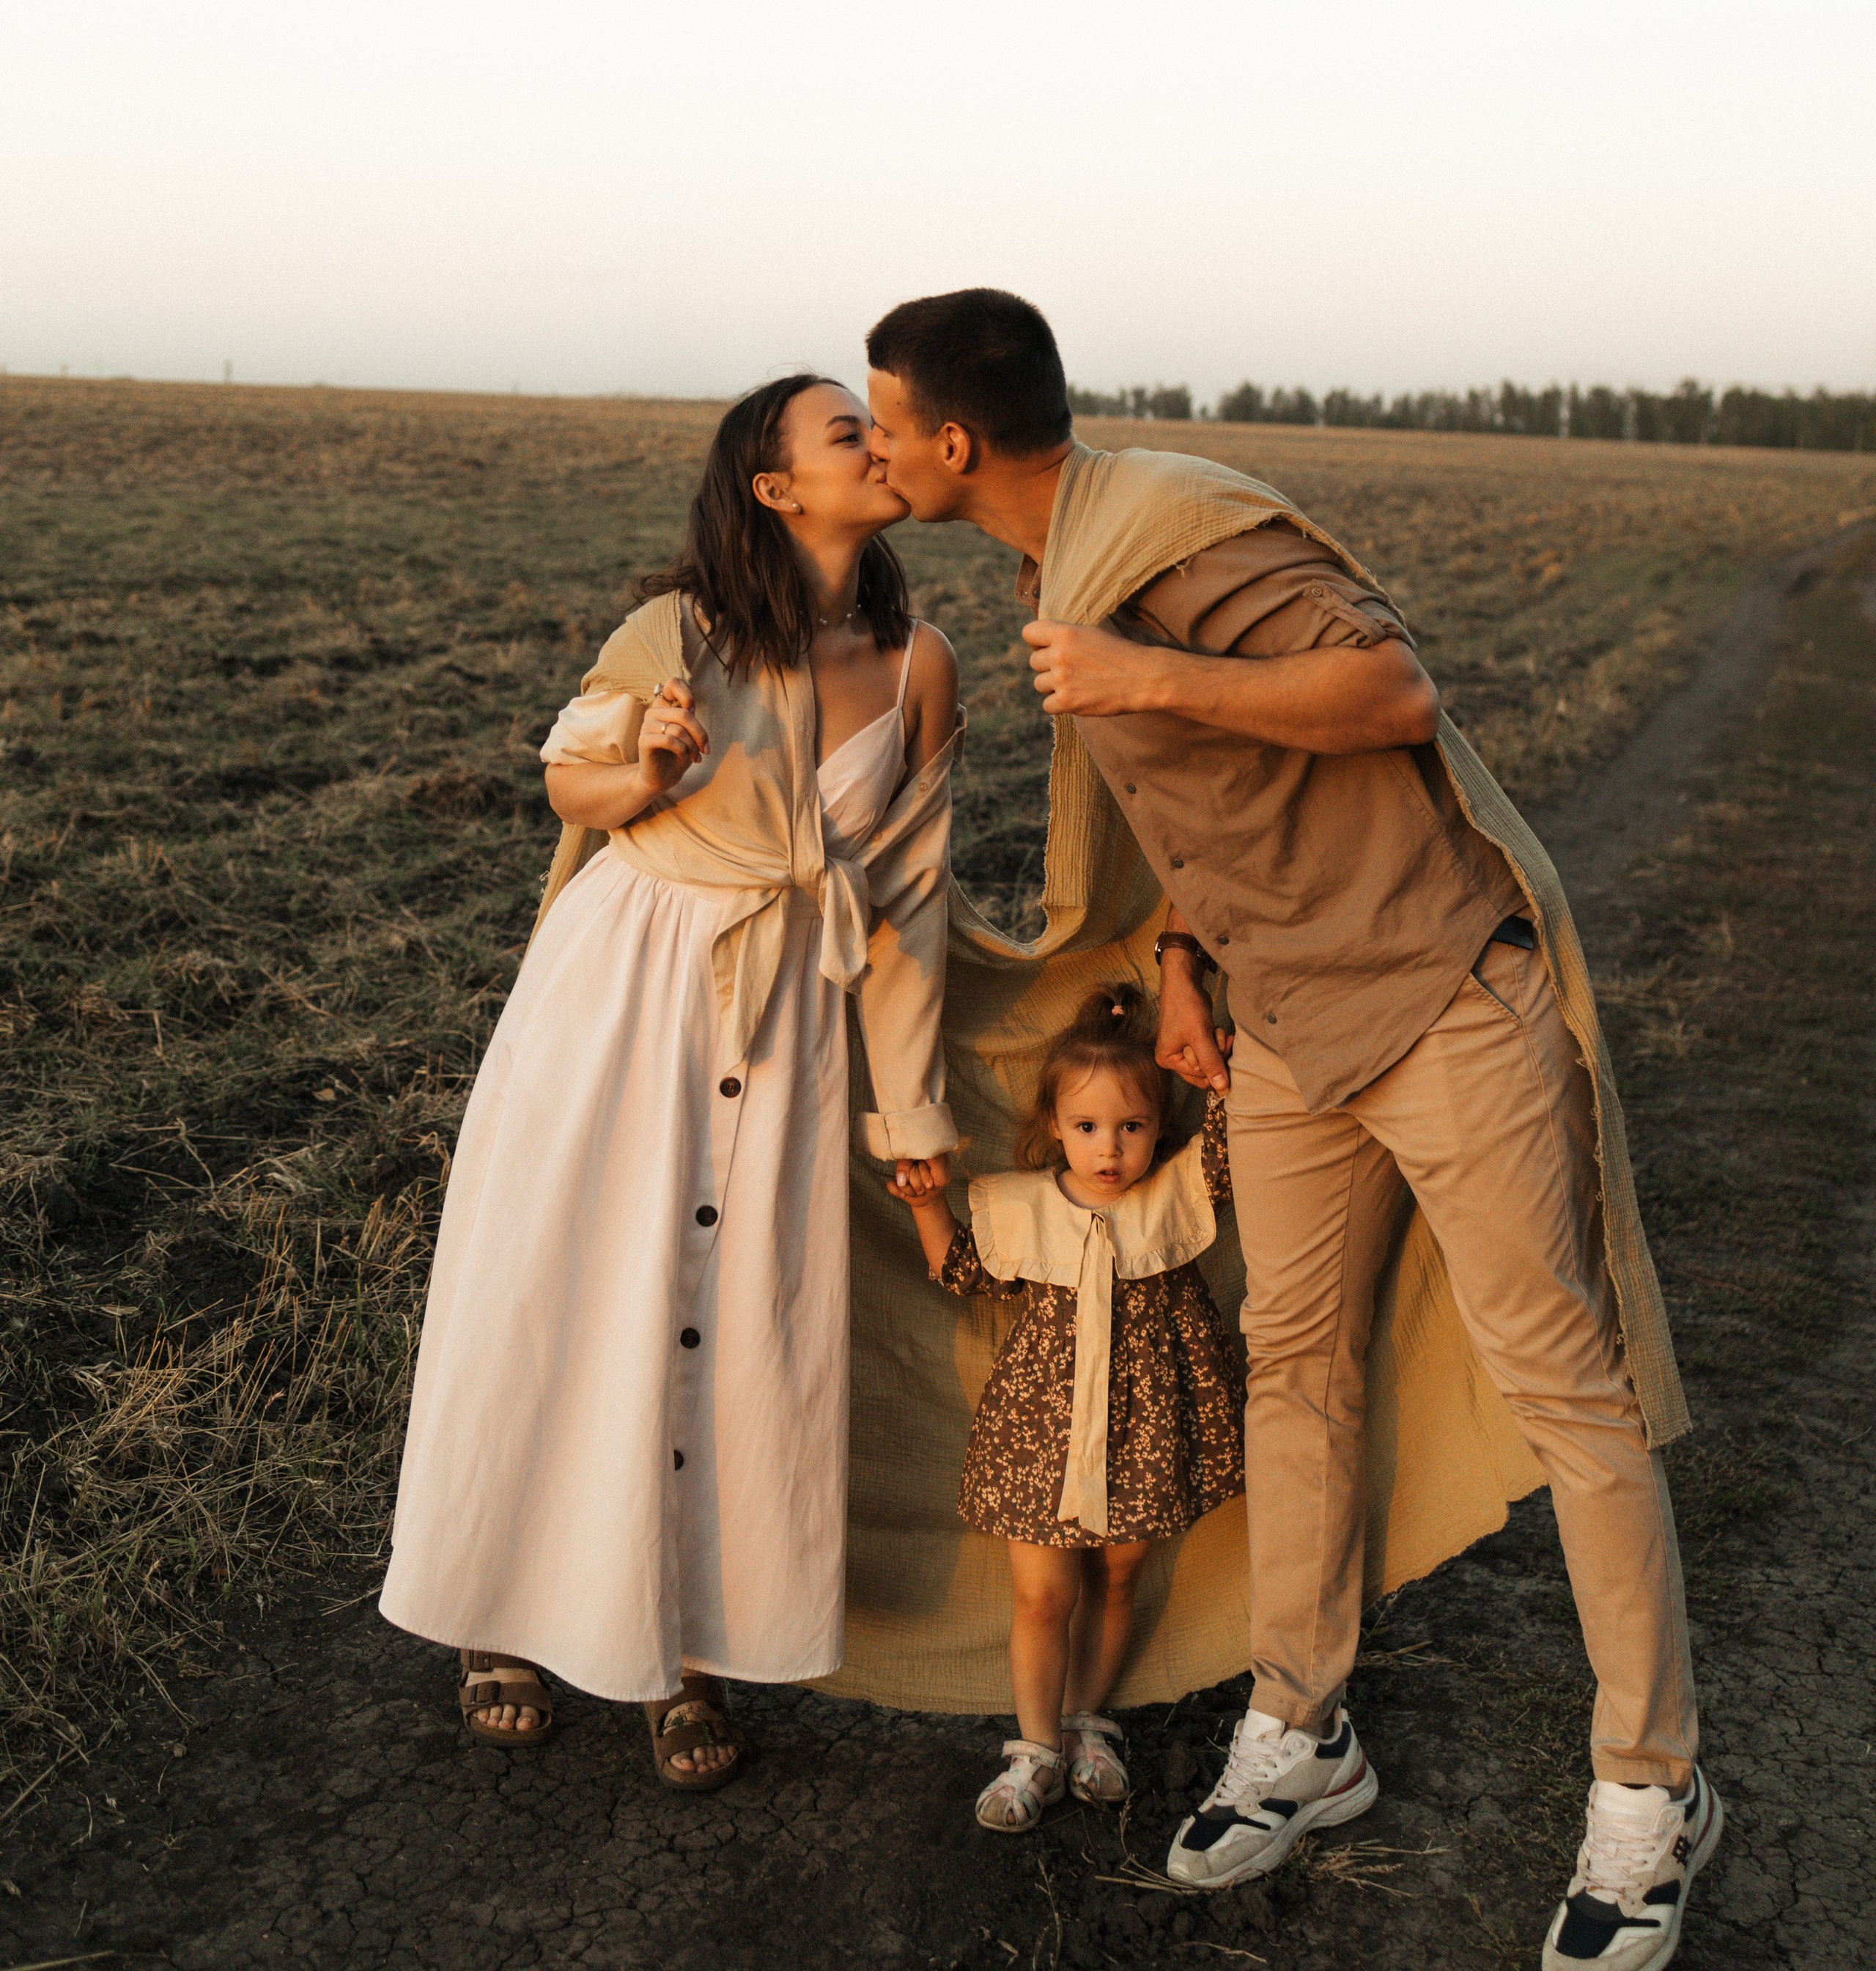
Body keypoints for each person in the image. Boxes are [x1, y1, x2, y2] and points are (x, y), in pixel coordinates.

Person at [865, 289, 1718, 1971]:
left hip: (1436, 988)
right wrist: (1184, 952)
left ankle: (1652, 1782)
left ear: (952, 440)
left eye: (878, 416)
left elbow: (1387, 688)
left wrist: (1142, 672)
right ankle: (1301, 1723)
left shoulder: (1171, 535)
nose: (866, 441)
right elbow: (1194, 799)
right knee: (1293, 1364)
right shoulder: (1057, 564)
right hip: (1282, 1017)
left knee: (1564, 1386)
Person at [380, 375, 961, 1788]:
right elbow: (570, 783)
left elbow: (910, 908)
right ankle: (498, 1615)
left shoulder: (923, 659)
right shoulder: (678, 631)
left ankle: (688, 1649)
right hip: (627, 991)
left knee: (736, 1320)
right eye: (846, 432)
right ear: (775, 490)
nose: (877, 445)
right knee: (566, 1289)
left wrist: (919, 1130)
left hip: (783, 1030)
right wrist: (636, 763)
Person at [890, 984, 1246, 1832]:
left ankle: (1091, 1721)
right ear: (1055, 1125)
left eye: (1130, 1126)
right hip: (1038, 1433)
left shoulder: (1179, 1190)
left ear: (1159, 1126)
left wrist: (1225, 1070)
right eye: (1087, 1127)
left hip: (1151, 1424)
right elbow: (963, 1273)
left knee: (1118, 1576)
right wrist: (926, 1205)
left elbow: (1235, 1142)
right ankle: (1035, 1749)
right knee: (1042, 1594)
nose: (1110, 1147)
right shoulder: (1020, 1202)